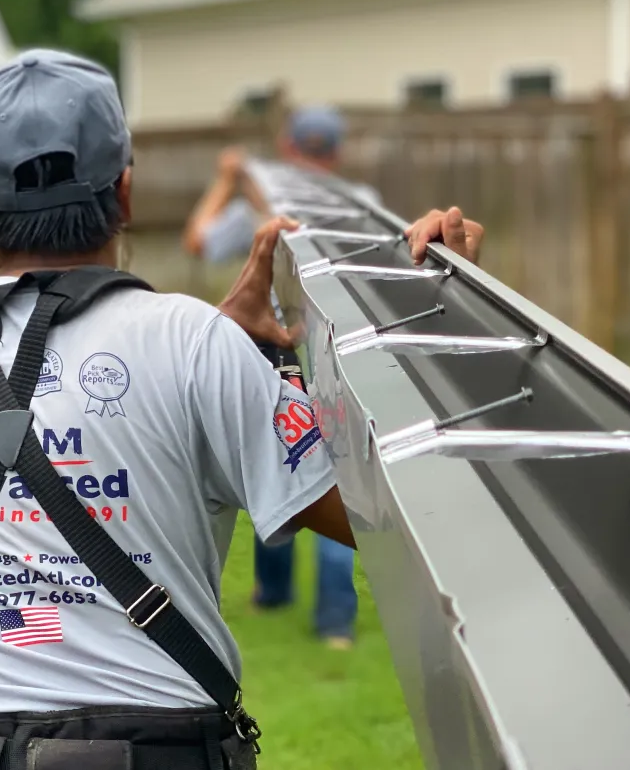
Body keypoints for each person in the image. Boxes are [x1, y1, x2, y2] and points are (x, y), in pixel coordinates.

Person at [0, 49, 480, 770]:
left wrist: (218, 350)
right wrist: (435, 324)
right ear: (123, 191)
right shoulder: (193, 346)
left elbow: (73, 388)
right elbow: (381, 519)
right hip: (149, 748)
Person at [182, 105, 482, 650]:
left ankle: (294, 603)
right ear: (333, 153)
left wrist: (227, 182)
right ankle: (331, 622)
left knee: (275, 465)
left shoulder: (264, 205)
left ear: (289, 149)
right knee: (332, 471)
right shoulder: (357, 202)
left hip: (273, 352)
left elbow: (199, 240)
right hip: (336, 354)